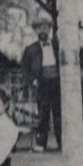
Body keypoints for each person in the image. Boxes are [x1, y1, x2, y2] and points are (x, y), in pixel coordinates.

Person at [20, 17, 60, 152]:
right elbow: (24, 68)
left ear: (50, 29)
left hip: (57, 82)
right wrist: (31, 80)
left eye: (45, 27)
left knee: (59, 113)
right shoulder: (30, 49)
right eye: (39, 28)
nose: (43, 30)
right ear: (35, 30)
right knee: (43, 114)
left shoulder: (57, 46)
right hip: (42, 83)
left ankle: (63, 144)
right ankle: (41, 144)